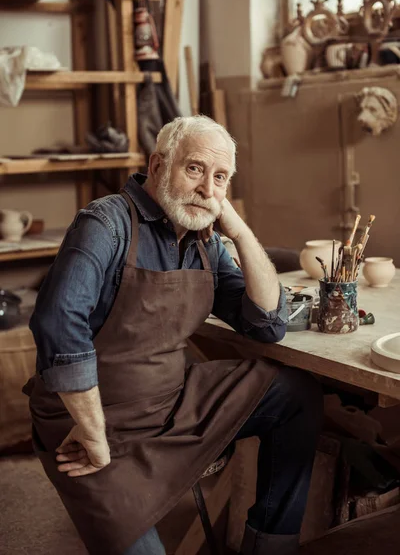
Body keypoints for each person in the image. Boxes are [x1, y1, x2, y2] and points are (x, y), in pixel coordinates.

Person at [24, 115, 323, 555]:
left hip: (173, 402)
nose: (207, 190)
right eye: (196, 169)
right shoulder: (106, 223)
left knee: (294, 393)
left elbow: (267, 324)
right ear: (159, 165)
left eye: (220, 178)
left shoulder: (204, 239)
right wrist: (92, 431)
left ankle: (269, 546)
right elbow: (57, 324)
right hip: (92, 422)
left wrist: (237, 229)